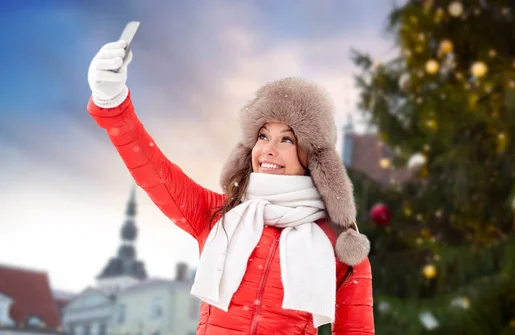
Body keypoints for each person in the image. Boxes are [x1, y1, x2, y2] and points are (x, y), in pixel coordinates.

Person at [86, 40, 375, 335]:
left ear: (312, 155)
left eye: (286, 139)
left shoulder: (341, 247)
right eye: (263, 136)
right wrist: (114, 104)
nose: (269, 149)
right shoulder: (217, 216)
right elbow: (153, 171)